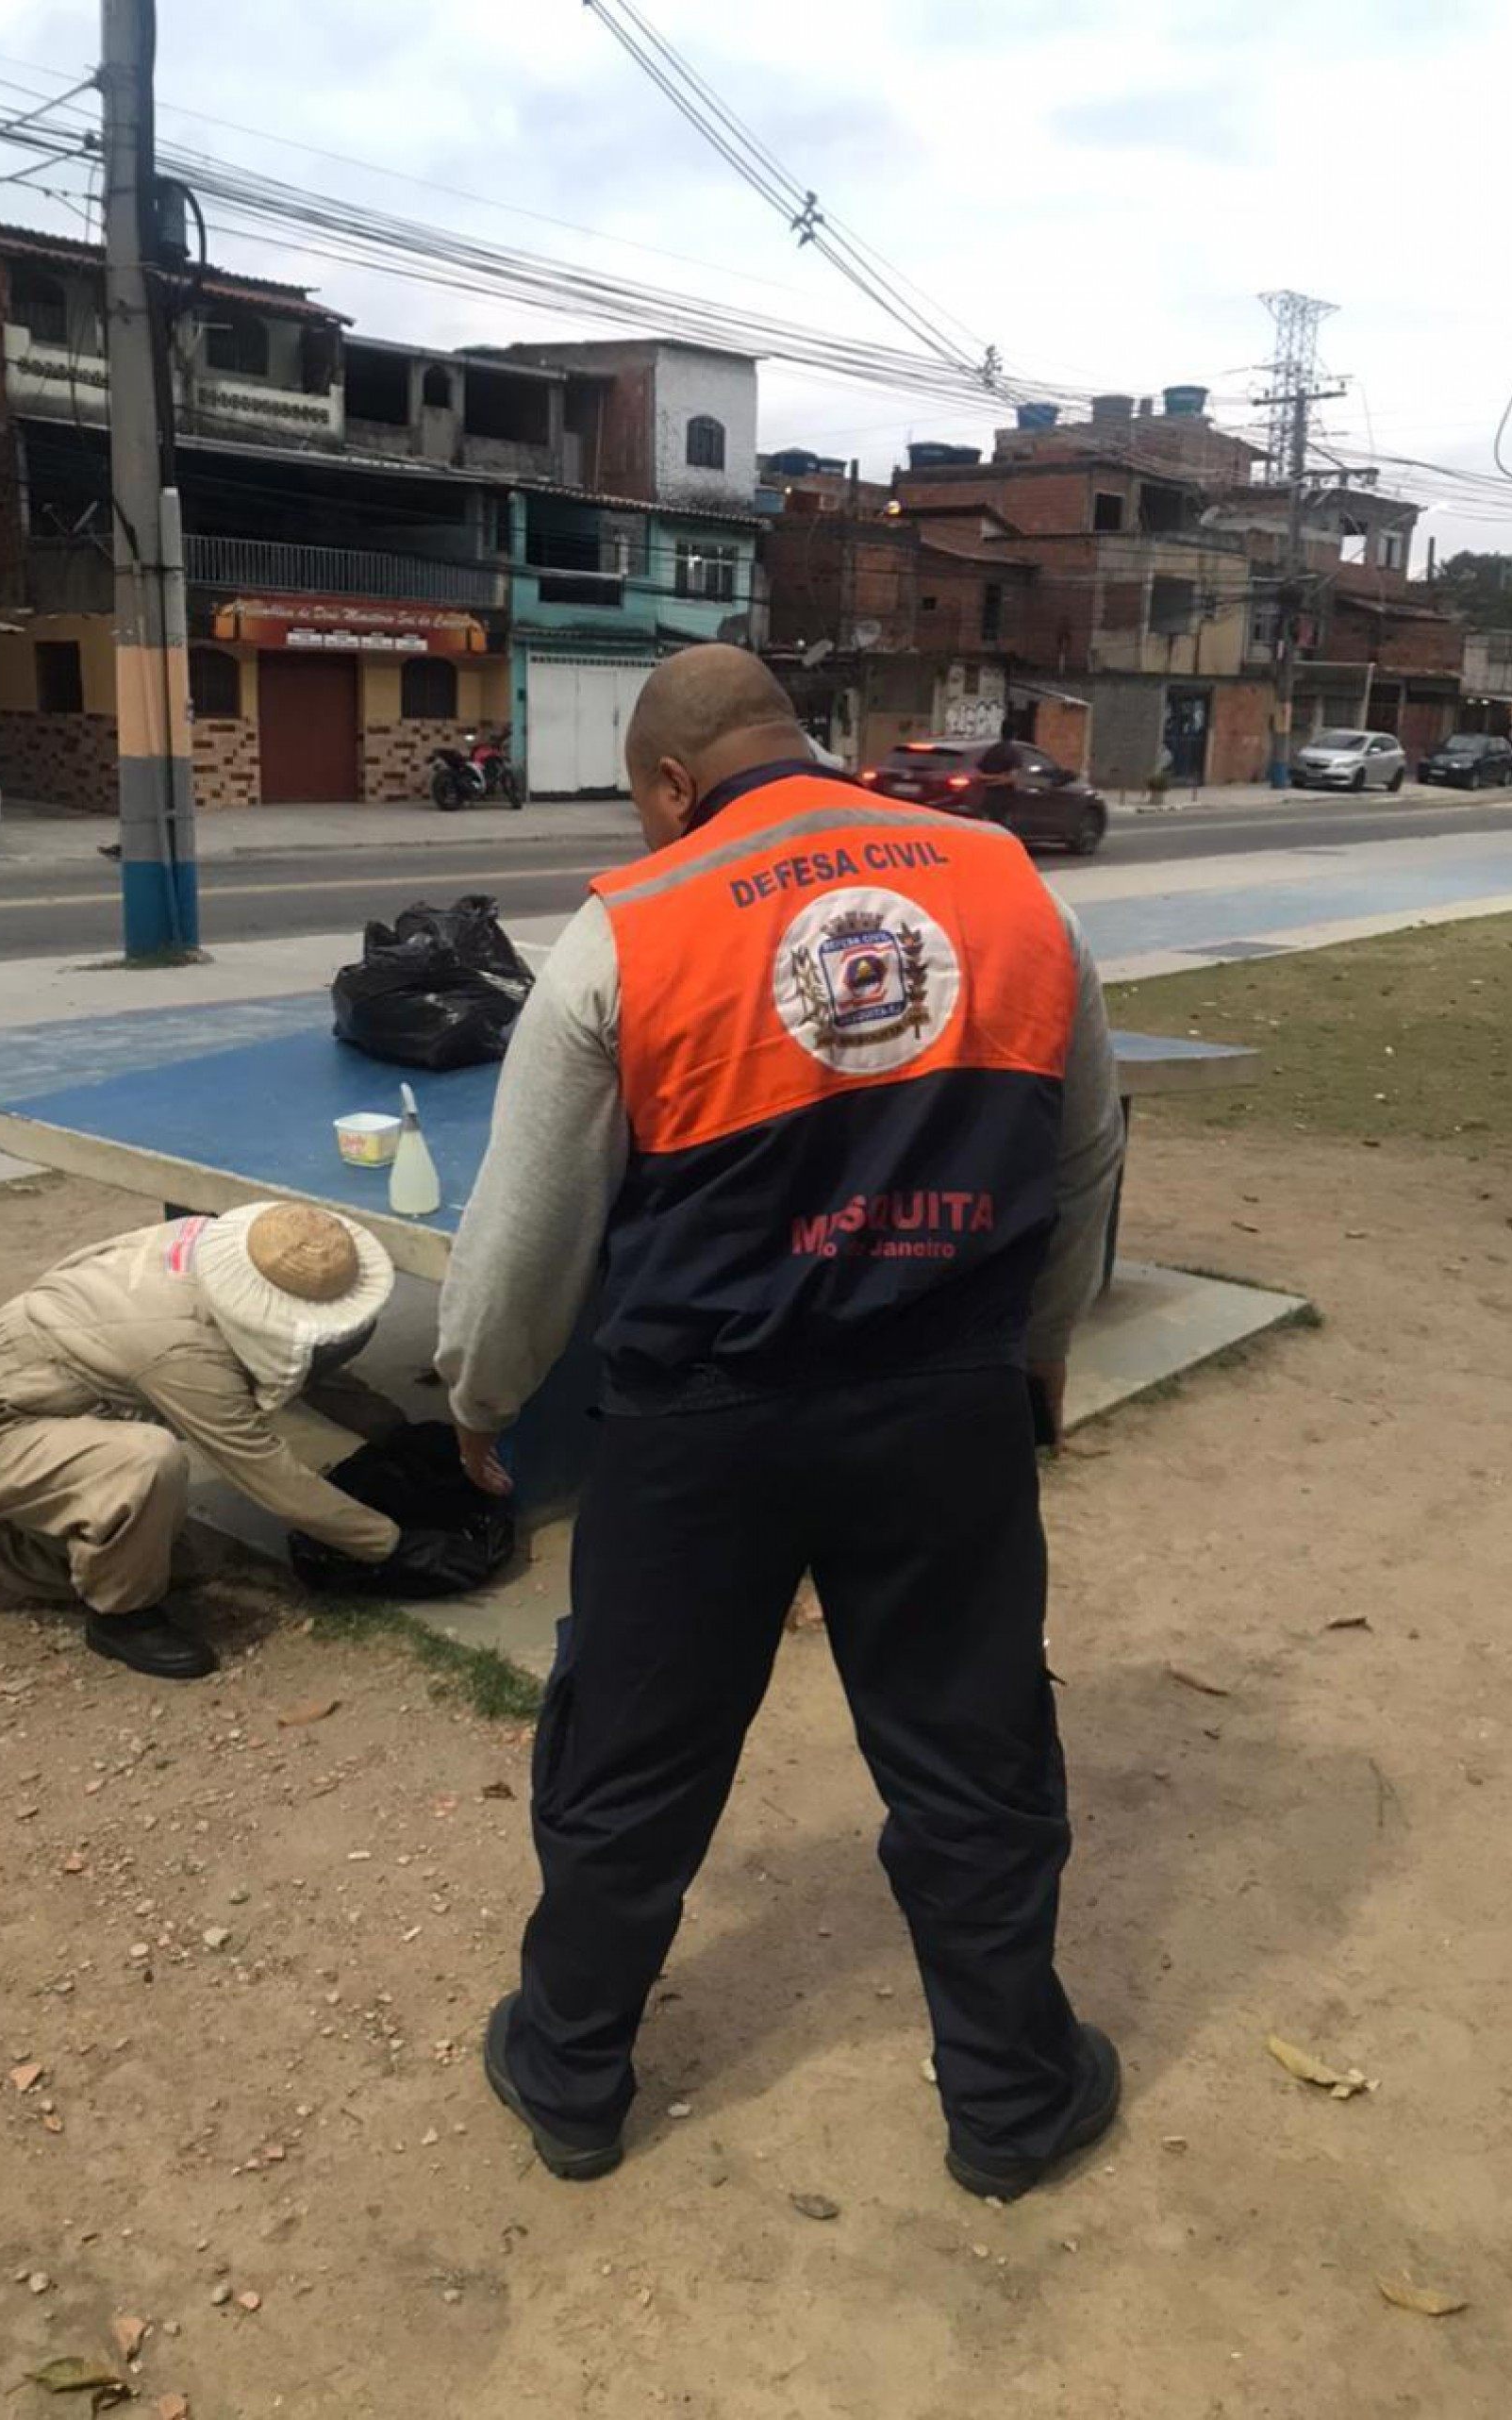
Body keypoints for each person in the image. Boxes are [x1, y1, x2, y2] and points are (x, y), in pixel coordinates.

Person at [436, 643, 1127, 2198]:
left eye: (643, 810)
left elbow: (531, 1225)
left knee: (628, 1759)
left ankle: (572, 2078)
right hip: (945, 1408)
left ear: (672, 786)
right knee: (972, 1755)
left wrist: (481, 1402)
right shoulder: (1019, 891)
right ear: (799, 741)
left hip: (701, 1433)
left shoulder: (631, 930)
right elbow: (1082, 1161)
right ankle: (1013, 2103)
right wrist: (1039, 1353)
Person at [0, 1202, 407, 1680]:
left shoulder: (210, 1247)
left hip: (44, 1395)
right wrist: (390, 1544)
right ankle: (117, 1618)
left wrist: (395, 1432)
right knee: (149, 1466)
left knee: (179, 1548)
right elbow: (265, 1471)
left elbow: (304, 1360)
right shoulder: (181, 1352)